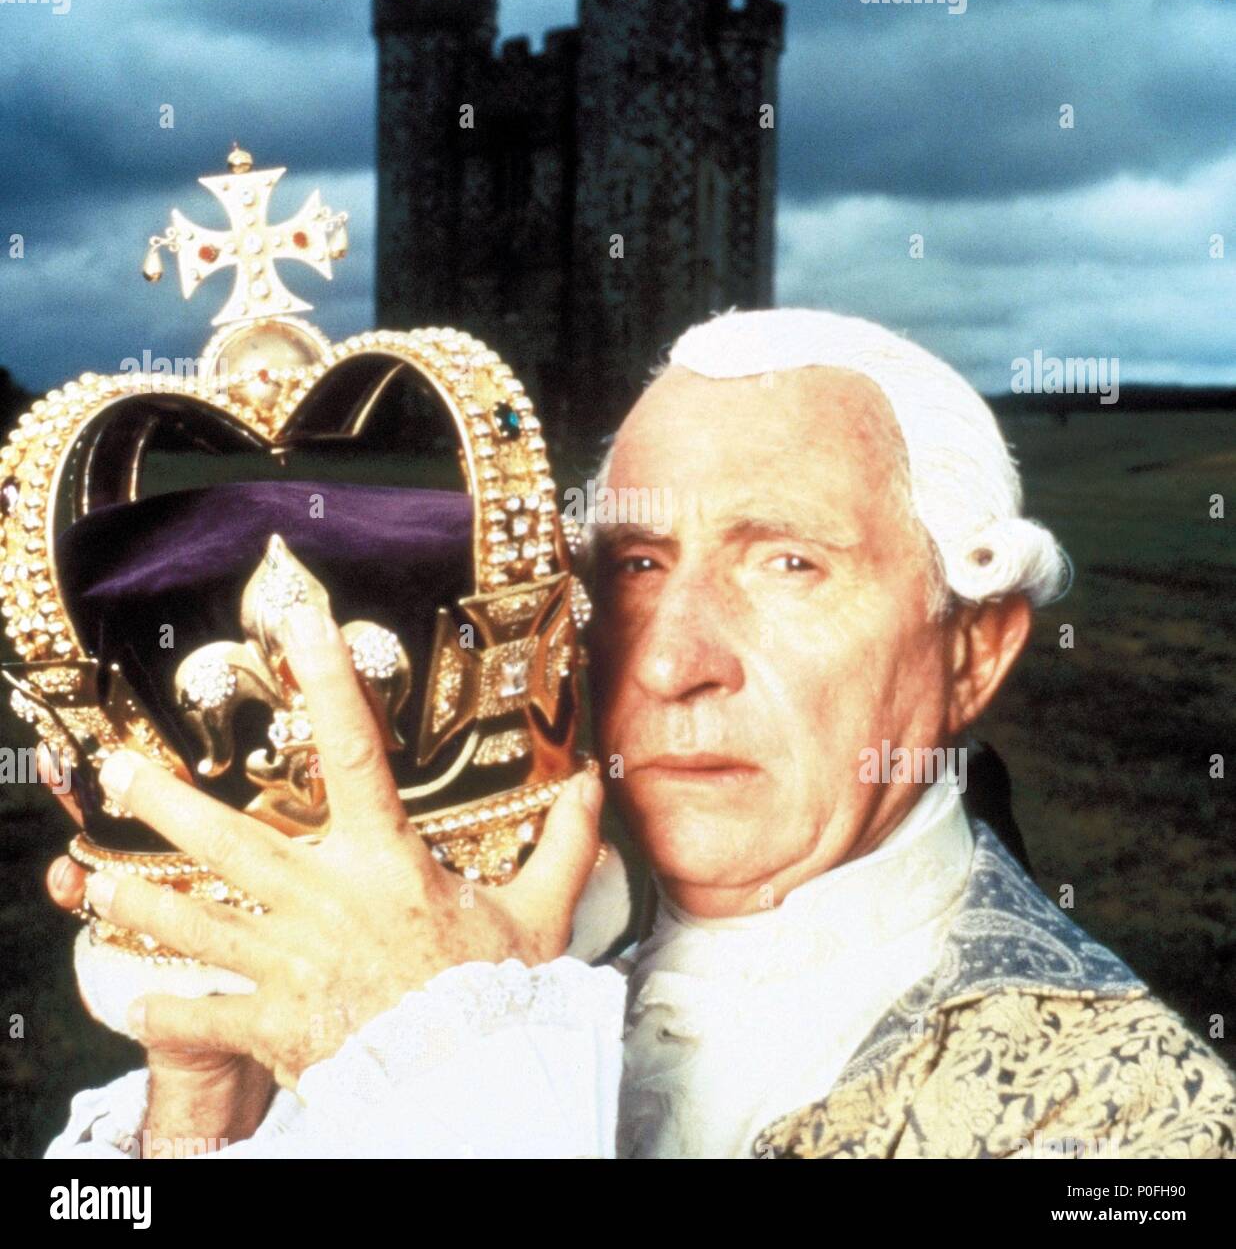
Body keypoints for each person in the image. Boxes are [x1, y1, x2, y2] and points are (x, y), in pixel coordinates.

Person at [43, 308, 1236, 1159]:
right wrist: (209, 1111)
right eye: (637, 564)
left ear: (974, 649)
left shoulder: (1139, 1125)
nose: (670, 661)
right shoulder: (452, 919)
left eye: (788, 563)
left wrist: (455, 1078)